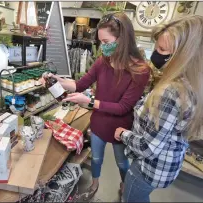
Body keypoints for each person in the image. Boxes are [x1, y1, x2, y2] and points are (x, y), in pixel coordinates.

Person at [42, 13, 150, 200]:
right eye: (100, 41)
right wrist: (57, 79)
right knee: (97, 159)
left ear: (123, 39)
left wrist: (89, 102)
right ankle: (95, 183)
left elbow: (123, 107)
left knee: (122, 163)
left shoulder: (140, 70)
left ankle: (124, 184)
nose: (102, 47)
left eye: (106, 41)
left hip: (120, 128)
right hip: (99, 122)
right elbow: (79, 85)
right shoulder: (103, 62)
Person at [114, 15, 203, 202]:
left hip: (148, 168)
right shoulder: (196, 84)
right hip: (168, 164)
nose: (156, 54)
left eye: (162, 49)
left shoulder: (171, 92)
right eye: (156, 47)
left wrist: (123, 134)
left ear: (186, 56)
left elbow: (148, 148)